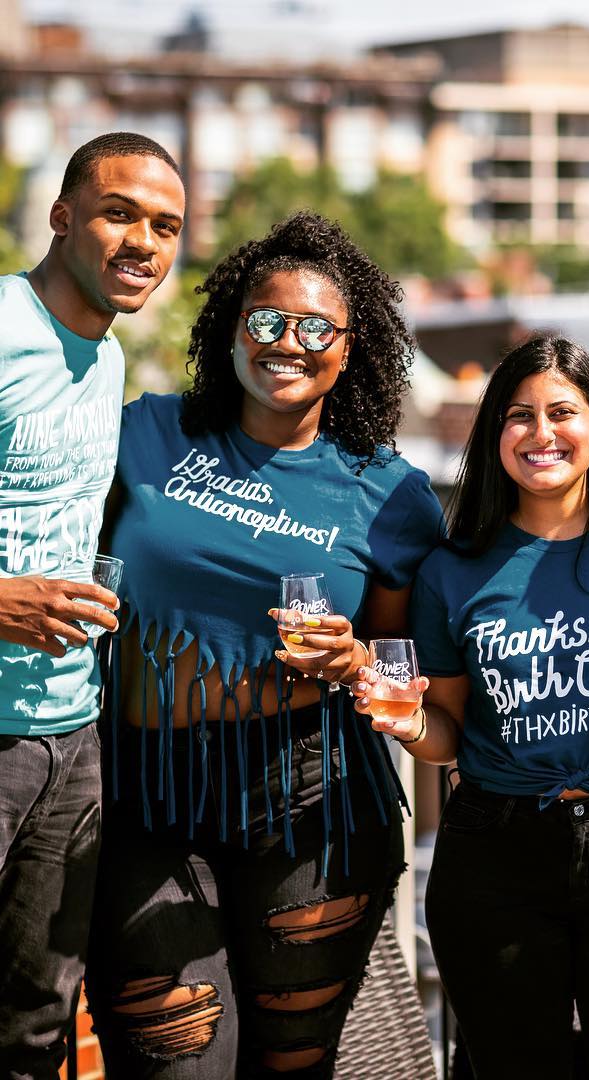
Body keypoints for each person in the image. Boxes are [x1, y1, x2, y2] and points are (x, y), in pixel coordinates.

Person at [83, 210, 443, 1078]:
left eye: (318, 326)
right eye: (267, 320)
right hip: (144, 795)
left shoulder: (391, 495)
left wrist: (353, 661)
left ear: (352, 348)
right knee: (173, 1066)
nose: (290, 341)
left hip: (312, 801)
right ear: (228, 331)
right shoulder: (145, 433)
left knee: (295, 1070)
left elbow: (402, 663)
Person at [354, 334, 589, 1079]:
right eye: (519, 416)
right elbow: (448, 736)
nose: (542, 433)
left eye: (564, 412)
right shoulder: (452, 571)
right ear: (495, 434)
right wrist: (406, 722)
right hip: (497, 852)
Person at [0, 131, 185, 1076]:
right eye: (120, 213)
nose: (143, 241)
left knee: (35, 1021)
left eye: (165, 225)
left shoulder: (108, 360)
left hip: (73, 737)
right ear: (63, 216)